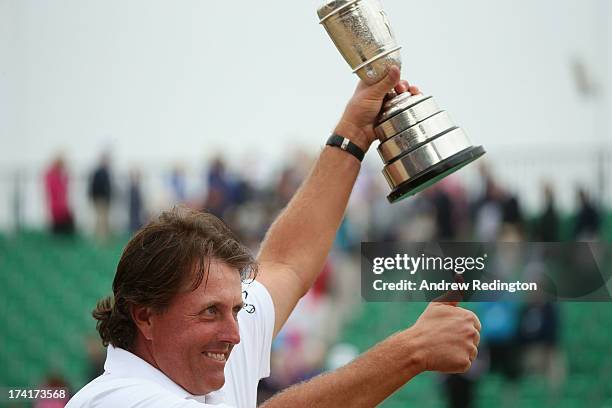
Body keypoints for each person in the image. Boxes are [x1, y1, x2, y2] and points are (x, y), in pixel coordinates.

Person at [67, 67, 481, 408]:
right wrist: (412, 351)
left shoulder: (202, 360)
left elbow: (288, 262)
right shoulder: (119, 399)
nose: (234, 331)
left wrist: (354, 131)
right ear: (144, 316)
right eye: (211, 311)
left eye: (235, 308)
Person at [44, 155, 75, 235]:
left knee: (64, 227)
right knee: (58, 228)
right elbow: (56, 191)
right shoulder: (52, 176)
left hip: (62, 207)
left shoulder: (59, 176)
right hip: (57, 207)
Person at [89, 152, 113, 240]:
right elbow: (95, 186)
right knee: (101, 219)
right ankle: (101, 238)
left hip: (105, 200)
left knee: (104, 219)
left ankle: (103, 237)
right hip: (100, 199)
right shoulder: (99, 172)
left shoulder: (106, 172)